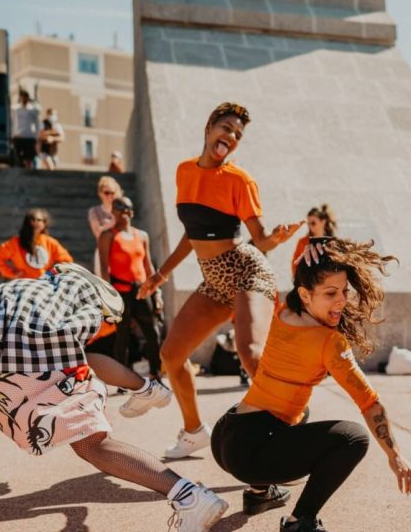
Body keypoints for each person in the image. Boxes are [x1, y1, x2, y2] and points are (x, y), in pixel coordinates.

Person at [0, 263, 225, 532]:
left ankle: (189, 497)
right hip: (32, 355)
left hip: (16, 357)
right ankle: (147, 390)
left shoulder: (14, 289)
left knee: (92, 445)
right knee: (90, 434)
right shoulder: (52, 300)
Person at [211, 238, 411, 532]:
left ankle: (259, 492)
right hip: (250, 454)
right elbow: (368, 402)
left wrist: (319, 245)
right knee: (352, 438)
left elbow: (304, 275)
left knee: (300, 411)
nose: (341, 301)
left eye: (344, 291)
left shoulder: (285, 311)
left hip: (227, 434)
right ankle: (299, 524)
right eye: (330, 294)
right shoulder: (328, 342)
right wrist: (395, 455)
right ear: (306, 294)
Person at [137, 102, 303, 459]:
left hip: (247, 270)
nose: (231, 136)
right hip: (214, 281)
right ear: (210, 126)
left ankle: (294, 427)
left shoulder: (240, 180)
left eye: (238, 134)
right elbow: (191, 233)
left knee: (250, 353)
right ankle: (194, 431)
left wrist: (276, 238)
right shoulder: (184, 172)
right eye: (226, 127)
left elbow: (259, 238)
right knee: (171, 354)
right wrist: (160, 274)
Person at [98, 196, 164, 380]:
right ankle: (121, 378)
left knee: (153, 331)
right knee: (122, 336)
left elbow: (148, 265)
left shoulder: (141, 235)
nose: (124, 213)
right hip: (120, 291)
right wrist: (108, 295)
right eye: (119, 210)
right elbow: (104, 267)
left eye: (127, 209)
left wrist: (157, 292)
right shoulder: (108, 235)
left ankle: (155, 373)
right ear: (113, 213)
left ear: (132, 212)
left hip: (142, 291)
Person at [0, 210, 73, 280]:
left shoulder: (50, 242)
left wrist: (52, 274)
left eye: (39, 220)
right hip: (23, 283)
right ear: (27, 222)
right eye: (32, 220)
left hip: (45, 283)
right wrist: (11, 273)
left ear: (45, 223)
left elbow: (66, 260)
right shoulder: (15, 242)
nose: (35, 223)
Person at [88, 176, 123, 276]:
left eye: (112, 193)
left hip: (121, 251)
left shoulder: (121, 210)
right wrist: (113, 222)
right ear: (100, 193)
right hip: (103, 253)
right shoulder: (94, 211)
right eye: (106, 193)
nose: (110, 196)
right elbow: (98, 233)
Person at [291, 204, 338, 274]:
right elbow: (295, 266)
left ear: (323, 221)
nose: (310, 227)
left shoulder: (332, 242)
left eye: (313, 223)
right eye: (309, 224)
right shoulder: (303, 242)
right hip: (307, 282)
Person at [11, 89, 40, 169]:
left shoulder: (33, 110)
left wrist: (36, 137)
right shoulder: (15, 109)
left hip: (29, 137)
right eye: (22, 97)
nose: (24, 99)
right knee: (17, 157)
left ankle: (28, 171)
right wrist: (11, 135)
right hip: (18, 136)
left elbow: (37, 123)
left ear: (27, 98)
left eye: (25, 97)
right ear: (20, 98)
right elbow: (12, 122)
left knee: (29, 157)